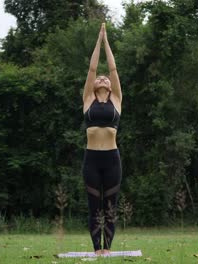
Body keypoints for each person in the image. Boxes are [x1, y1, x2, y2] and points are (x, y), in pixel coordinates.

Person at [82, 23, 122, 256]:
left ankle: (108, 248)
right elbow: (92, 68)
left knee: (110, 206)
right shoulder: (88, 99)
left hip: (112, 159)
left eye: (107, 79)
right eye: (101, 78)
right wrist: (98, 40)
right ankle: (97, 248)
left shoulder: (117, 99)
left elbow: (113, 69)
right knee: (94, 205)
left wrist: (108, 42)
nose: (104, 78)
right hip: (91, 159)